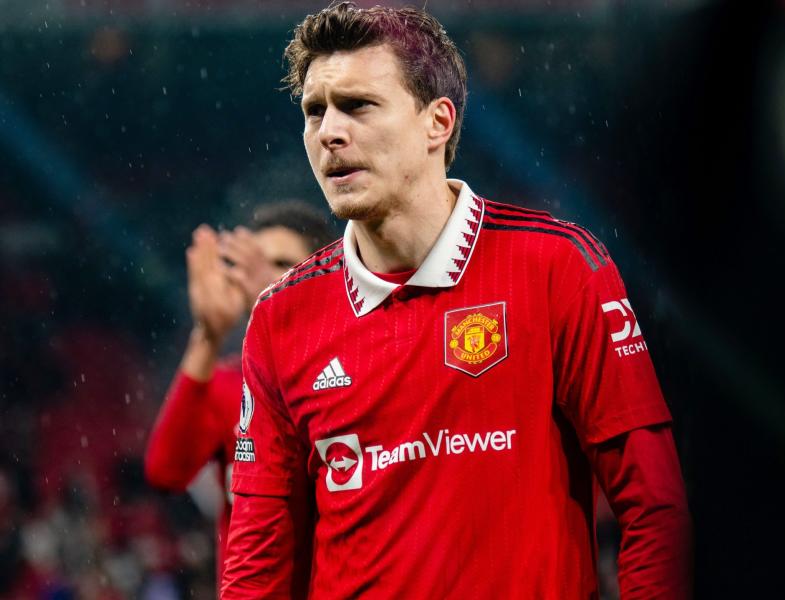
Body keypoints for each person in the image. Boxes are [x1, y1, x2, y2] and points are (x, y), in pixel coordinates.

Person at [223, 2, 692, 598]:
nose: (330, 133)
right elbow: (257, 561)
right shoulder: (280, 318)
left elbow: (653, 506)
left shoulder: (558, 267)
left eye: (358, 106)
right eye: (315, 112)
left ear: (437, 123)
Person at [144, 201, 331, 588]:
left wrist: (286, 310)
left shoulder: (360, 368)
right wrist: (208, 335)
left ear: (327, 274)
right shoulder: (230, 382)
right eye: (249, 266)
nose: (260, 279)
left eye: (281, 264)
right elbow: (166, 472)